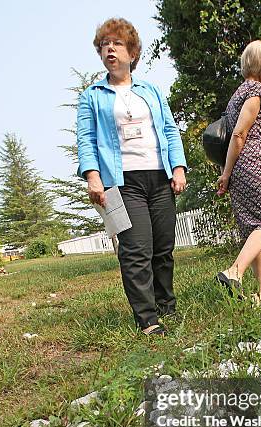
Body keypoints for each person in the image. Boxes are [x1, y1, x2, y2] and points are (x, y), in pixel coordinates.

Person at [77, 18, 187, 336]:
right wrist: (93, 176)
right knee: (137, 250)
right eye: (104, 45)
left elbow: (168, 129)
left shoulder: (150, 90)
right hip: (123, 182)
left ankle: (168, 307)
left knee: (164, 247)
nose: (110, 49)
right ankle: (148, 320)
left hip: (159, 176)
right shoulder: (92, 96)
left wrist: (178, 168)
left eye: (117, 43)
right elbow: (85, 139)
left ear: (132, 51)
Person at [216, 40, 261, 304]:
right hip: (252, 163)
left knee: (256, 227)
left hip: (239, 169)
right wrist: (227, 171)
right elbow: (239, 134)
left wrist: (227, 174)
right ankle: (234, 271)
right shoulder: (255, 89)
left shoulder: (238, 92)